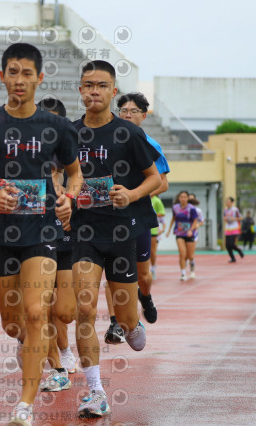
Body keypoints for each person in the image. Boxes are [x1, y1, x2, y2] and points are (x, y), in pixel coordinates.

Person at [0, 43, 82, 426]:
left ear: (39, 78)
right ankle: (30, 348)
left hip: (42, 230)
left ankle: (25, 404)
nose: (20, 80)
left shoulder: (56, 127)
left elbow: (75, 173)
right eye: (13, 72)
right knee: (14, 323)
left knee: (36, 312)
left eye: (28, 73)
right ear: (2, 76)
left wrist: (68, 198)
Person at [71, 60, 161, 418]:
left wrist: (132, 194)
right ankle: (95, 391)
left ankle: (132, 323)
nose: (94, 91)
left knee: (125, 321)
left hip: (122, 231)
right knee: (84, 309)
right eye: (88, 85)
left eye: (102, 85)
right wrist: (62, 197)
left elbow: (155, 178)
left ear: (112, 91)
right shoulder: (68, 133)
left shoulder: (128, 133)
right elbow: (57, 176)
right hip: (84, 231)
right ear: (81, 89)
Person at [102, 92, 171, 342]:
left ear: (143, 116)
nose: (127, 115)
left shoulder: (149, 144)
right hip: (108, 216)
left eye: (133, 111)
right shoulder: (106, 139)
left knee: (142, 275)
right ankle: (115, 323)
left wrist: (133, 195)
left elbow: (162, 183)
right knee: (113, 272)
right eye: (123, 110)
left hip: (137, 216)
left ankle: (146, 296)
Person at [36, 97, 79, 394]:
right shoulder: (25, 151)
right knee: (42, 306)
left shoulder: (71, 150)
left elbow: (82, 182)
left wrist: (70, 203)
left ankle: (62, 348)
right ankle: (58, 361)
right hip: (36, 235)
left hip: (65, 237)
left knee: (64, 311)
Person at [166, 191, 199, 281]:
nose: (183, 198)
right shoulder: (175, 208)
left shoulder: (191, 208)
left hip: (189, 233)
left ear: (187, 198)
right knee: (182, 253)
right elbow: (173, 219)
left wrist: (191, 230)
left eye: (185, 197)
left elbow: (195, 220)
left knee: (190, 256)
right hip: (179, 233)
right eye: (181, 197)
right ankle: (183, 274)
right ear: (179, 198)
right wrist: (169, 230)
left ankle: (192, 268)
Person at [187, 193, 205, 278]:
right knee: (184, 253)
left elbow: (202, 220)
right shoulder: (183, 209)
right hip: (183, 234)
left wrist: (198, 224)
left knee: (191, 254)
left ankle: (192, 269)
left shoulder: (198, 210)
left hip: (193, 234)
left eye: (192, 199)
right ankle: (183, 272)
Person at [150, 194, 166, 281]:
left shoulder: (156, 200)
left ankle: (153, 269)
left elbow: (162, 213)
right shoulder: (141, 196)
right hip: (141, 228)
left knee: (152, 251)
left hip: (153, 231)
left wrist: (150, 214)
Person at [224, 196, 244, 262]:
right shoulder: (225, 210)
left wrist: (234, 219)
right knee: (227, 245)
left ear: (232, 202)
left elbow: (241, 218)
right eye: (227, 202)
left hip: (234, 228)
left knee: (232, 244)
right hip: (228, 229)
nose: (227, 203)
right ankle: (232, 258)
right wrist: (225, 219)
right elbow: (224, 218)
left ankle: (239, 250)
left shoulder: (235, 210)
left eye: (229, 202)